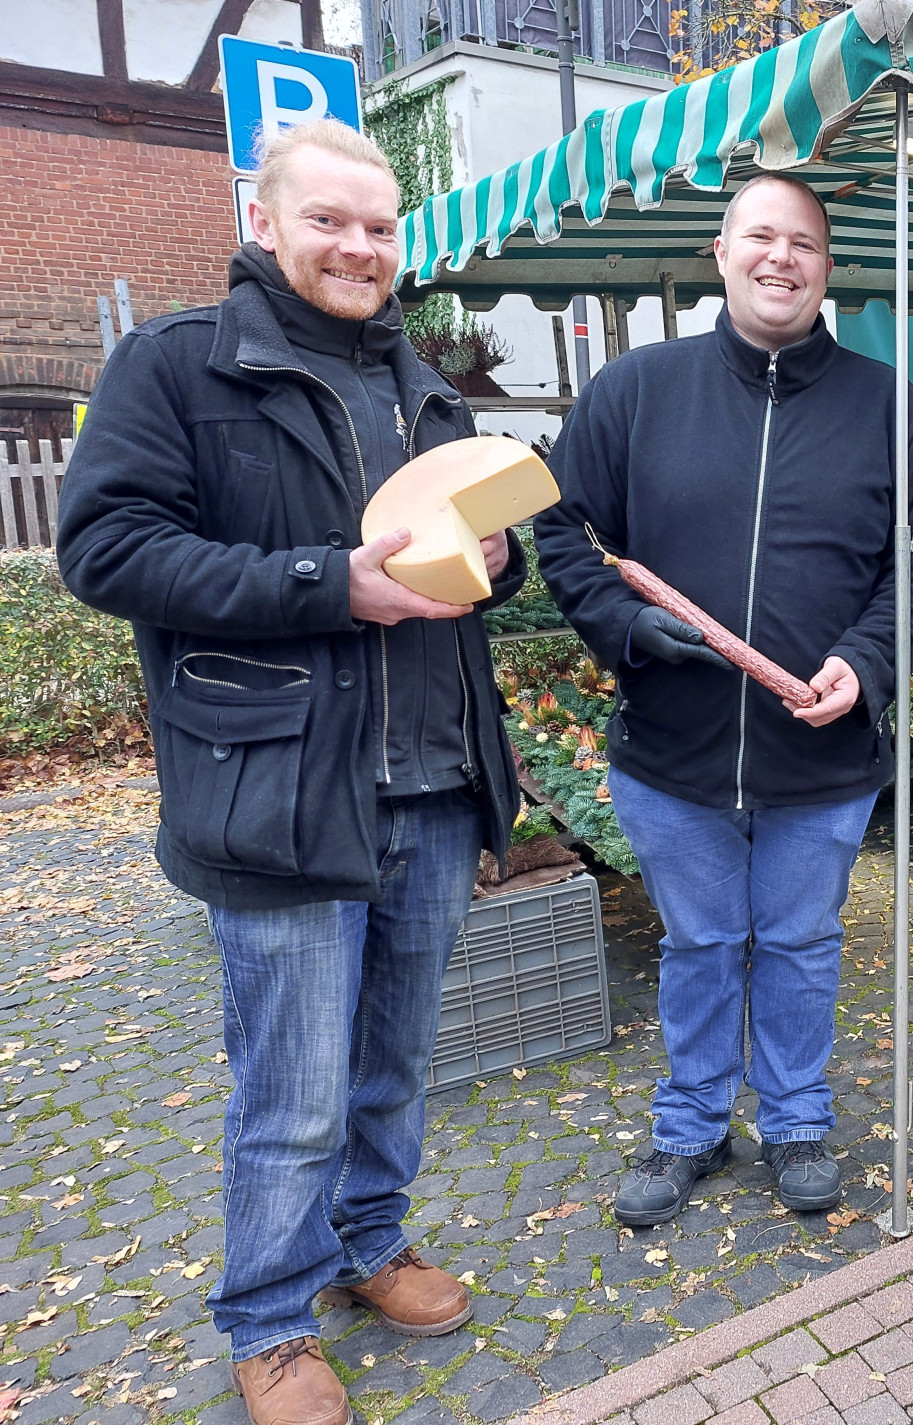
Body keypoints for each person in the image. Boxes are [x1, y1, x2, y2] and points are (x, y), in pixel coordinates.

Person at [56, 121, 525, 1425]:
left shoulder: (427, 386)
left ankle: (370, 1242)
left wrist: (500, 564)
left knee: (397, 1058)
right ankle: (267, 1319)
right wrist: (333, 584)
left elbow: (483, 547)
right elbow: (104, 551)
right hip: (281, 785)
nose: (361, 247)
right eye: (331, 221)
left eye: (380, 228)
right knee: (293, 1085)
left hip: (431, 776)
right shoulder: (177, 368)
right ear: (265, 223)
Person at [534, 173, 913, 1226]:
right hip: (670, 755)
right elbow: (560, 529)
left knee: (803, 945)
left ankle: (798, 1117)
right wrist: (624, 627)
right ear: (721, 254)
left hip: (820, 757)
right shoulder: (637, 390)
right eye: (761, 237)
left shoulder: (887, 406)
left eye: (805, 243)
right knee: (699, 947)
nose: (782, 258)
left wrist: (867, 661)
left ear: (827, 269)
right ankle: (690, 1126)